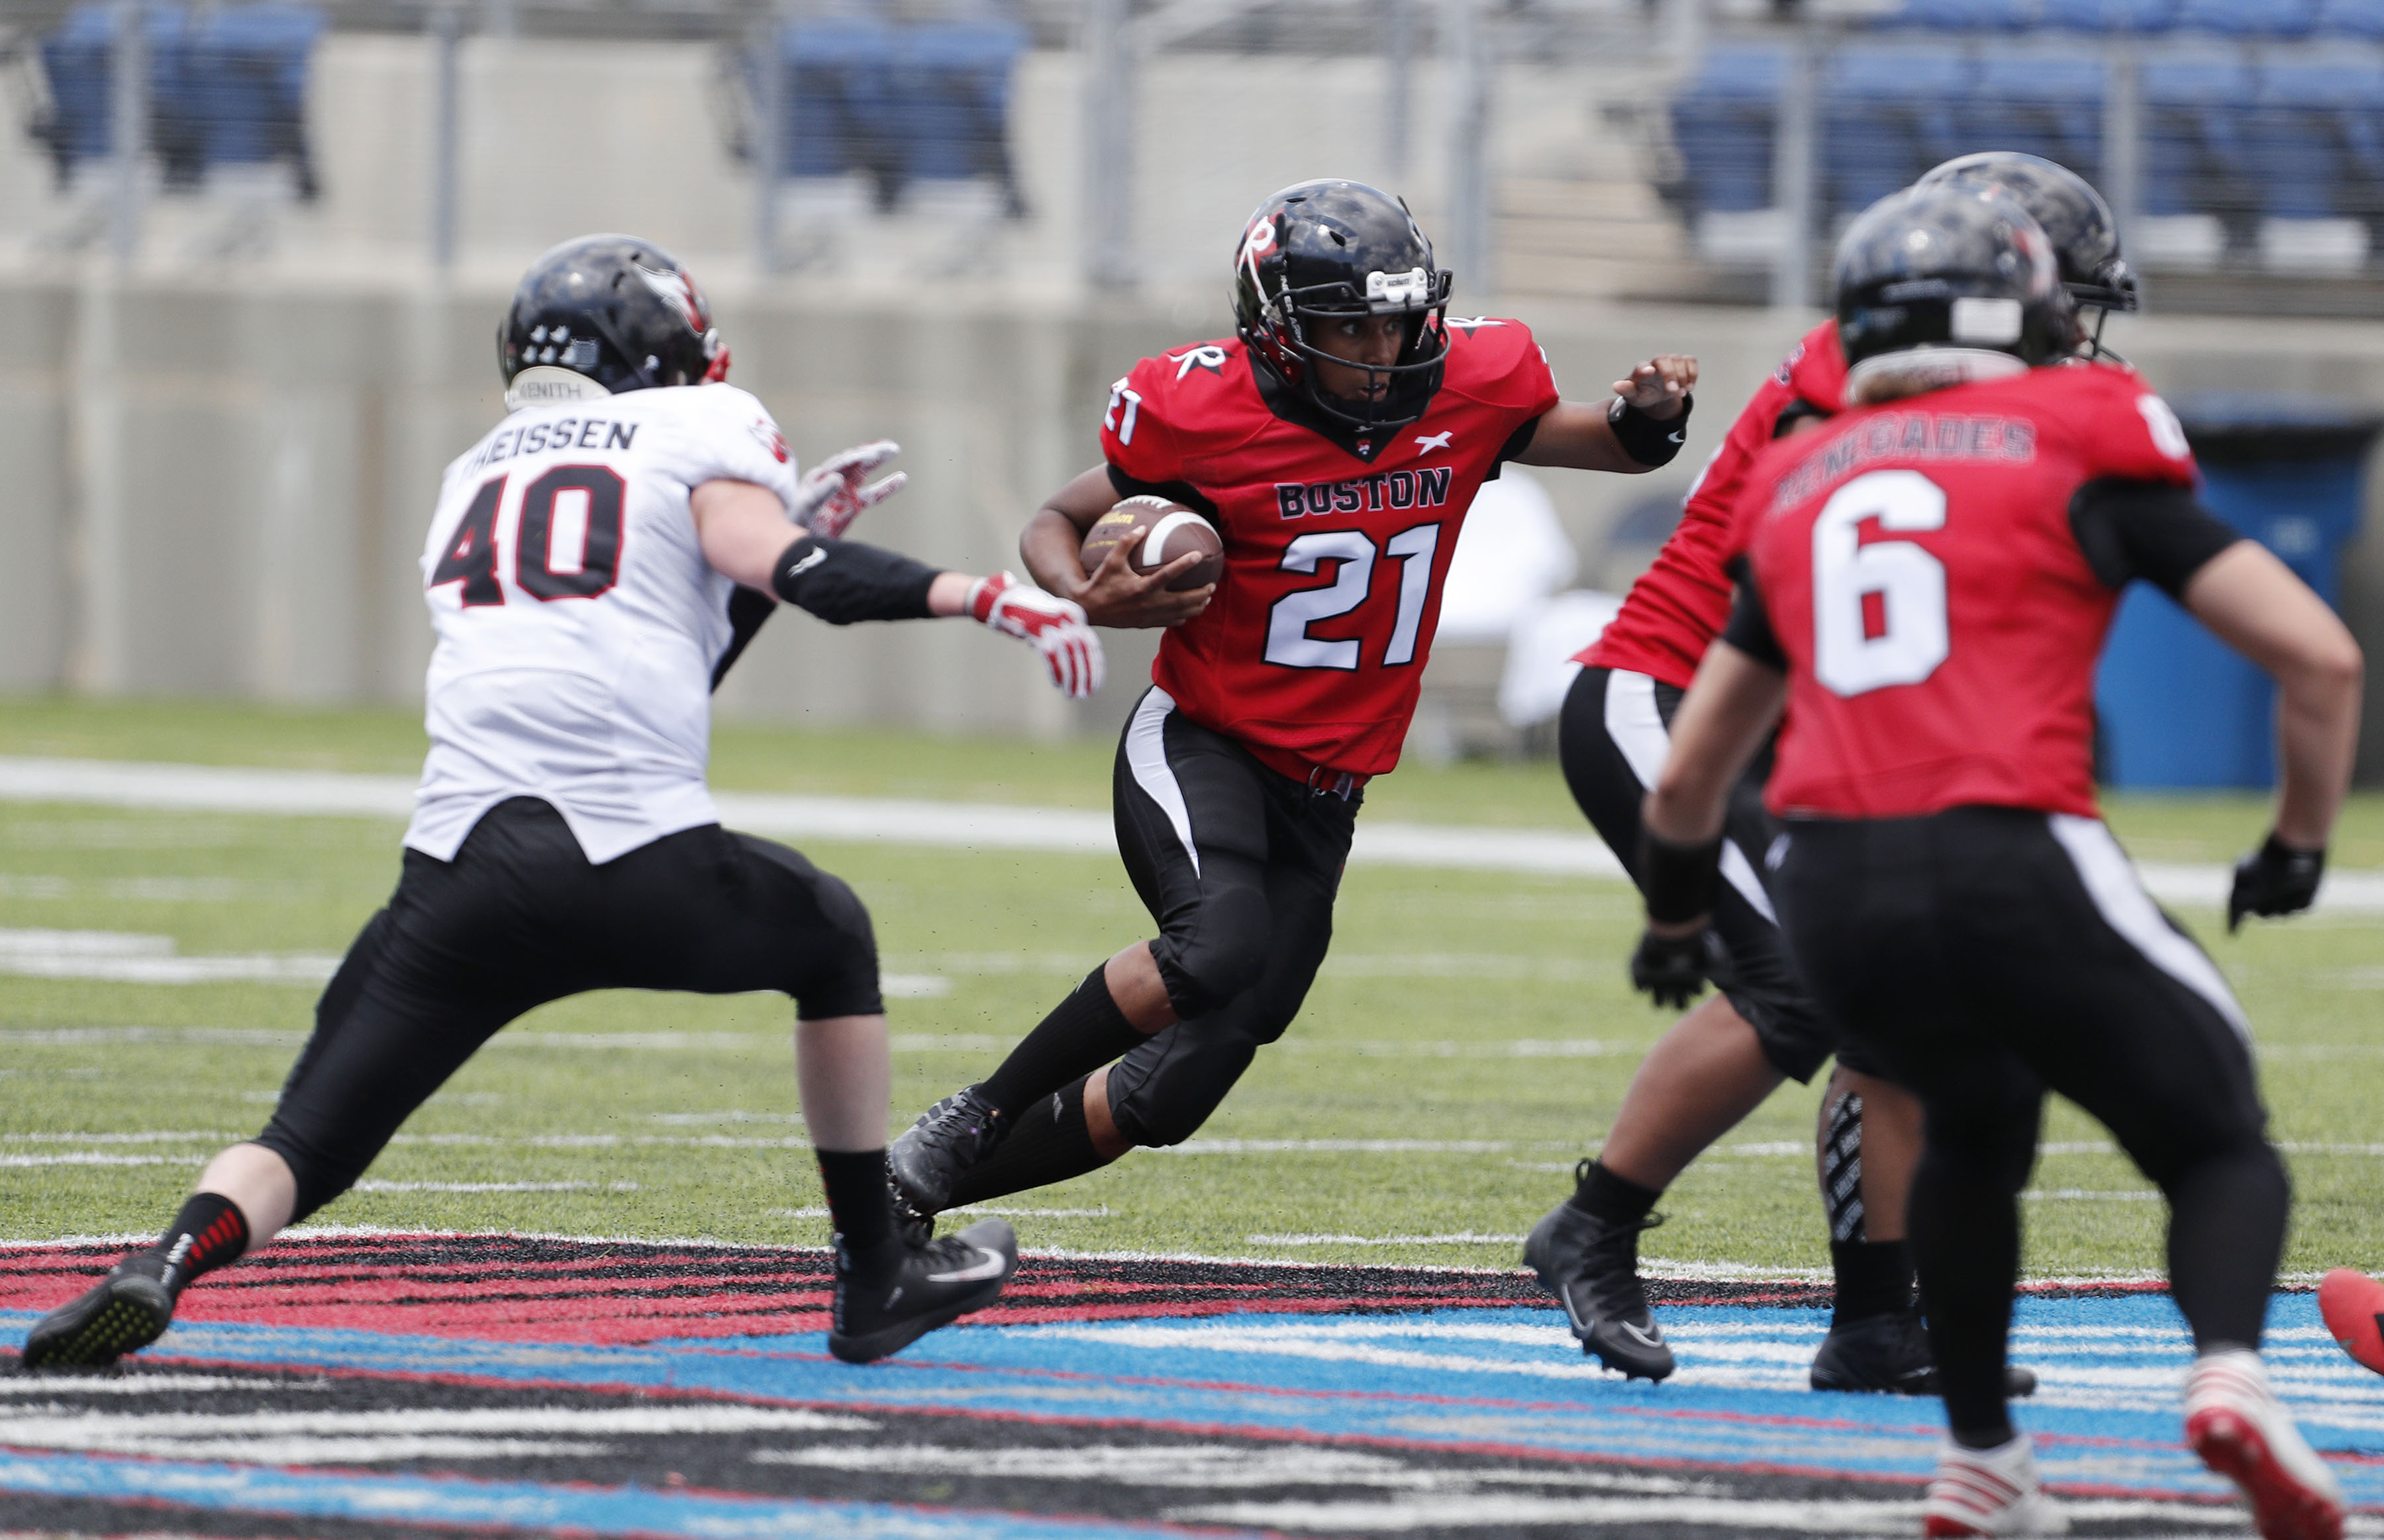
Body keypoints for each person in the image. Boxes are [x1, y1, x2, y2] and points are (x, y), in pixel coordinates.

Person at [21, 234, 1105, 1372]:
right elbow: (794, 573)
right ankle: (875, 1266)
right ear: (659, 350)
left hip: (460, 876)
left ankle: (169, 1263)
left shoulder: (477, 472)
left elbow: (666, 640)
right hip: (636, 857)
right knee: (830, 933)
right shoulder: (698, 425)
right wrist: (979, 594)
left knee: (305, 1137)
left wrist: (778, 557)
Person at [1631, 185, 2357, 1538]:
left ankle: (1981, 1459)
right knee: (2215, 1135)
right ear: (2017, 308)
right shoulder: (2082, 422)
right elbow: (2318, 653)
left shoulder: (1802, 469)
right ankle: (2233, 1381)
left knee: (1967, 1129)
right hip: (2009, 843)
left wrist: (1677, 924)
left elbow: (1691, 772)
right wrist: (2296, 841)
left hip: (1832, 887)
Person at [881, 179, 1698, 1229]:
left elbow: (1598, 439)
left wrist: (1647, 415)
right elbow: (1057, 515)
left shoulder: (1473, 385)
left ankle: (904, 1196)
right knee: (1213, 946)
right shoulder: (1197, 410)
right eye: (1349, 327)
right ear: (1274, 333)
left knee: (1175, 1088)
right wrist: (1082, 588)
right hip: (1205, 740)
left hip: (1330, 788)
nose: (1382, 350)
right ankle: (975, 1113)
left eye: (1399, 322)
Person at [1528, 150, 2136, 1390]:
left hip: (1788, 733)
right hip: (1670, 699)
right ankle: (1592, 1225)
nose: (2073, 331)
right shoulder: (1868, 370)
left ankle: (1873, 1321)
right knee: (1801, 992)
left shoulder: (1968, 390)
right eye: (2056, 298)